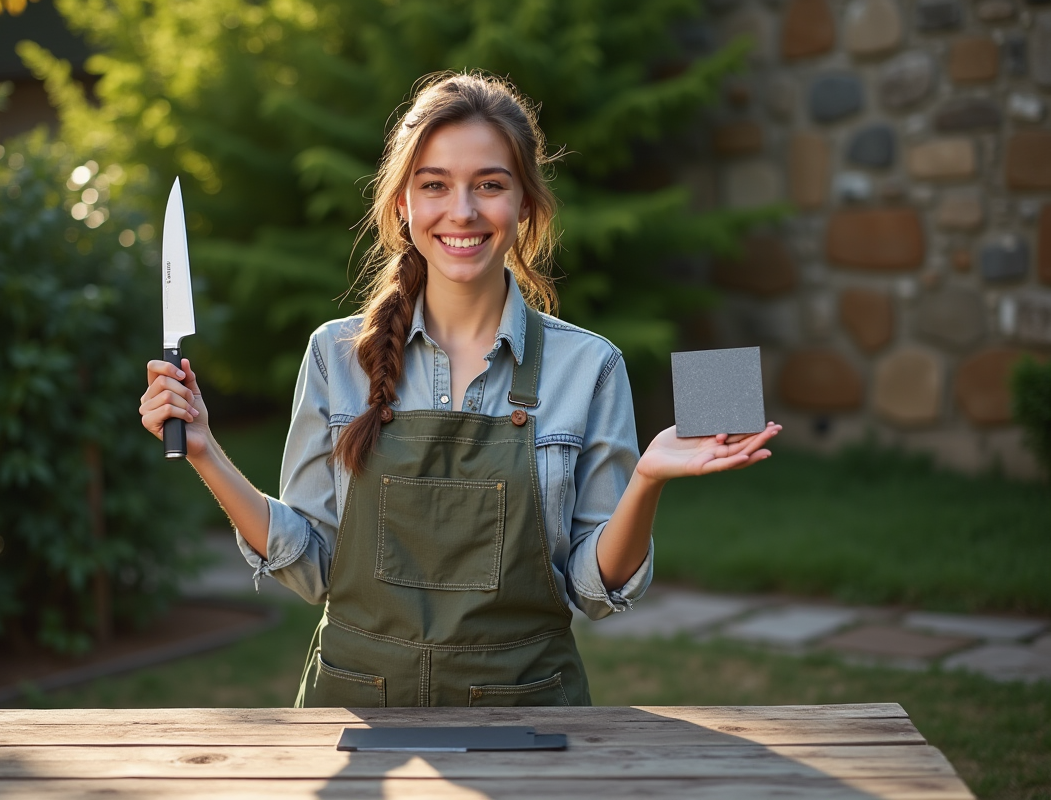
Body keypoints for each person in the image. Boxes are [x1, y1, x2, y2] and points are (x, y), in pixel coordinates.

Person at [139, 72, 781, 708]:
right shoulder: (335, 355)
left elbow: (593, 590)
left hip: (528, 712)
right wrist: (204, 451)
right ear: (403, 203)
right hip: (359, 714)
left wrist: (646, 480)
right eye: (435, 185)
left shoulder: (590, 366)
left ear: (524, 203)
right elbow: (311, 567)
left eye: (490, 185)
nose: (463, 211)